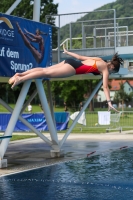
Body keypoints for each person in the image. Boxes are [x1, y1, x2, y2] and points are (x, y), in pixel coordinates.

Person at [8, 45, 123, 112]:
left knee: (44, 70)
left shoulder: (99, 59)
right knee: (46, 73)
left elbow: (80, 57)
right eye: (113, 70)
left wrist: (67, 52)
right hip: (73, 69)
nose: (111, 72)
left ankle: (20, 74)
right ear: (112, 66)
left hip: (70, 61)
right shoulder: (105, 69)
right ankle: (21, 79)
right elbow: (105, 87)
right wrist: (109, 102)